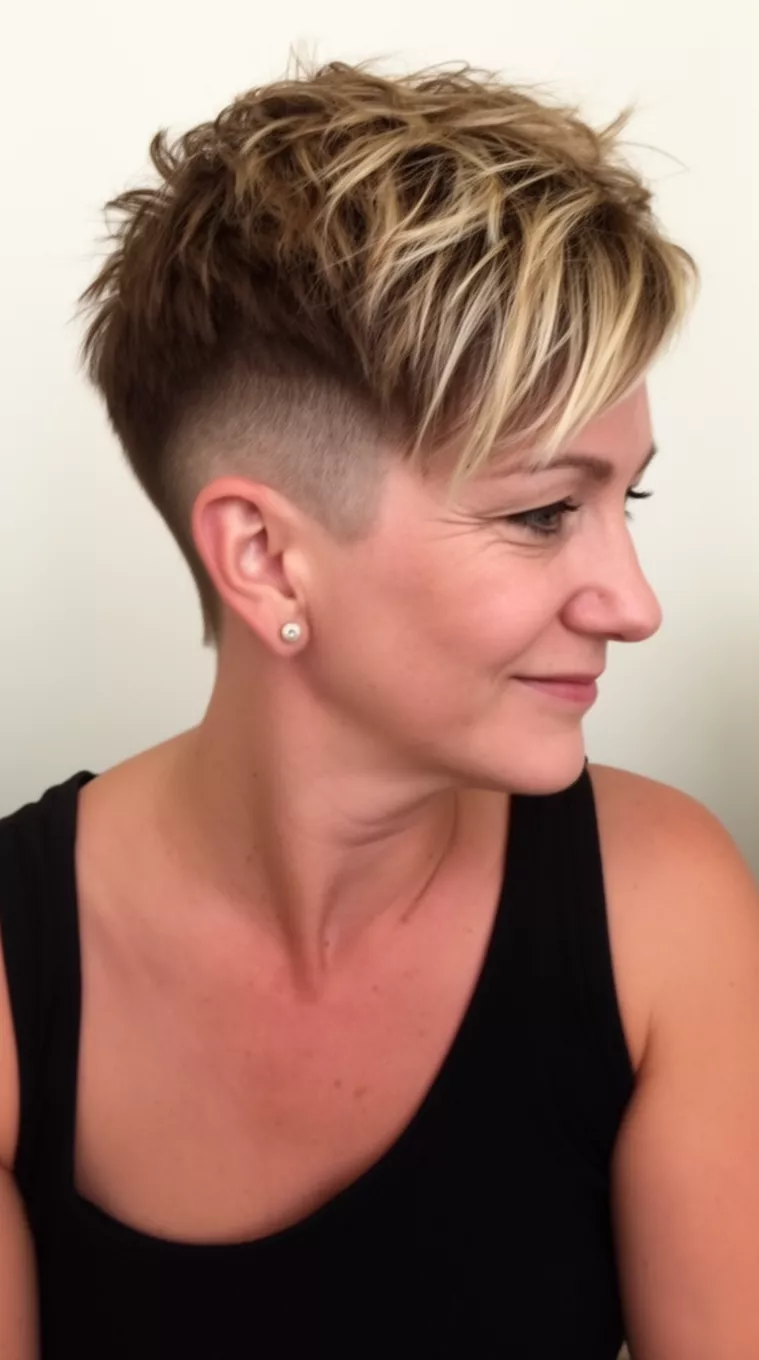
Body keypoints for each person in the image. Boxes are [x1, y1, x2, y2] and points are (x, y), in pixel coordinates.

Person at [1, 54, 757, 1360]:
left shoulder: (660, 905)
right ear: (264, 557)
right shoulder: (14, 977)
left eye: (618, 501)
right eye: (539, 513)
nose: (631, 603)